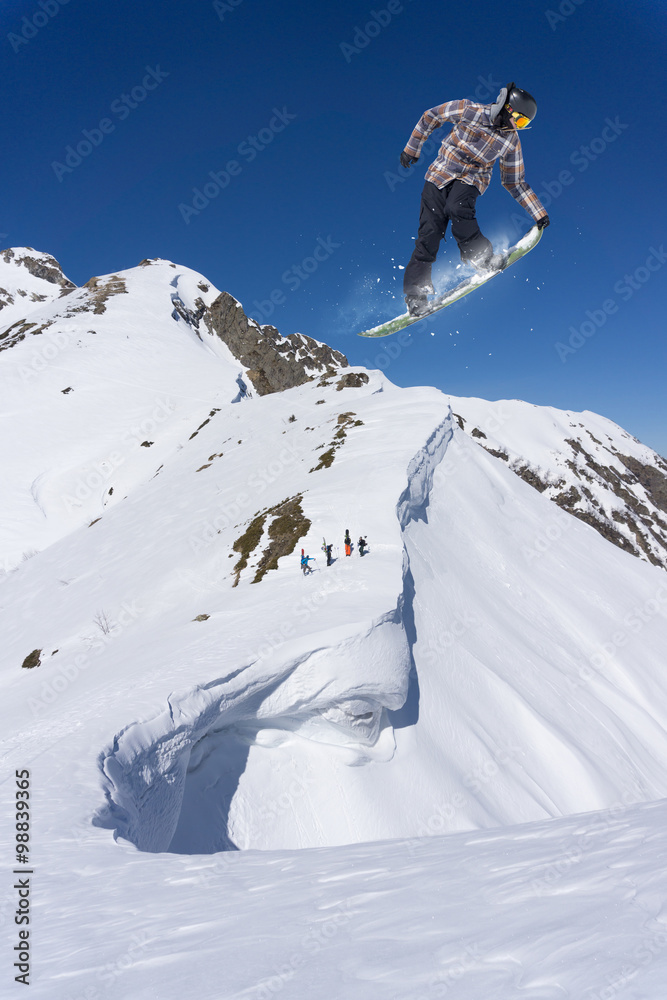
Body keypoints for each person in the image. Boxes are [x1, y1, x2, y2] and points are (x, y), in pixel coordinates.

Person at [400, 83, 550, 317]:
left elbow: (514, 181)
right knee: (429, 233)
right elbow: (431, 116)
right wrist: (412, 149)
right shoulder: (469, 110)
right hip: (439, 173)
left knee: (458, 207)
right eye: (518, 120)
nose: (516, 127)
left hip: (471, 179)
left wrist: (538, 212)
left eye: (523, 124)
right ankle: (416, 296)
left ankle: (482, 258)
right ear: (505, 107)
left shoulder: (511, 141)